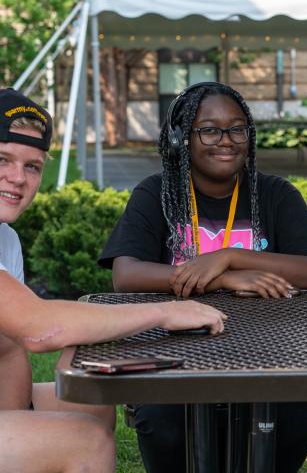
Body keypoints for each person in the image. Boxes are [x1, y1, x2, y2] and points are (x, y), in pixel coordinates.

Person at [99, 82, 307, 472]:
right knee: (162, 418)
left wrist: (230, 257)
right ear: (181, 139)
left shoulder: (276, 194)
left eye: (237, 129)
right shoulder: (157, 193)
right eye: (209, 129)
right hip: (174, 348)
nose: (226, 140)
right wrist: (221, 279)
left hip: (267, 347)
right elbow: (126, 273)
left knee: (295, 415)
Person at [0, 88, 226, 472]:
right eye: (2, 160)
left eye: (32, 166)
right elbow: (40, 329)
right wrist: (165, 312)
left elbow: (8, 350)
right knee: (86, 443)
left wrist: (19, 416)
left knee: (93, 400)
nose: (17, 178)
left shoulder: (6, 238)